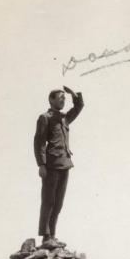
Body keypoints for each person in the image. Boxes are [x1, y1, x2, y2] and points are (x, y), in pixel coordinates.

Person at [34, 85, 84, 248]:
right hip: (51, 164)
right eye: (61, 98)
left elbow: (78, 107)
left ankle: (53, 235)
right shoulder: (45, 117)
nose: (63, 101)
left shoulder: (64, 118)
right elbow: (39, 141)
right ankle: (46, 236)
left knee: (58, 203)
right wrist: (41, 164)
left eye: (64, 99)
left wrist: (75, 95)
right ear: (51, 100)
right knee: (48, 200)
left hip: (65, 163)